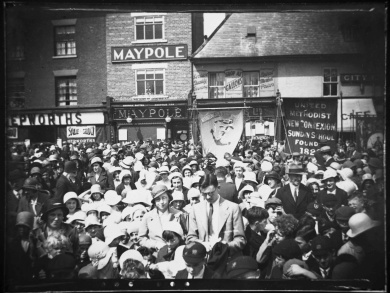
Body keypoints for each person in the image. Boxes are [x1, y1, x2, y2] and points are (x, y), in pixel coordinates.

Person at [186, 174, 246, 259]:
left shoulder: (233, 208)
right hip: (204, 258)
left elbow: (240, 239)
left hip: (226, 258)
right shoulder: (195, 209)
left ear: (218, 188)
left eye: (211, 193)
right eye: (204, 194)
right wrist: (202, 244)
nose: (208, 197)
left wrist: (223, 247)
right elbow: (190, 238)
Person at [138, 184, 185, 258]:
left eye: (164, 198)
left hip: (176, 254)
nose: (161, 202)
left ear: (169, 198)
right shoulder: (148, 216)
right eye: (158, 199)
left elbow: (185, 235)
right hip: (155, 255)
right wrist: (155, 244)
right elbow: (141, 239)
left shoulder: (178, 214)